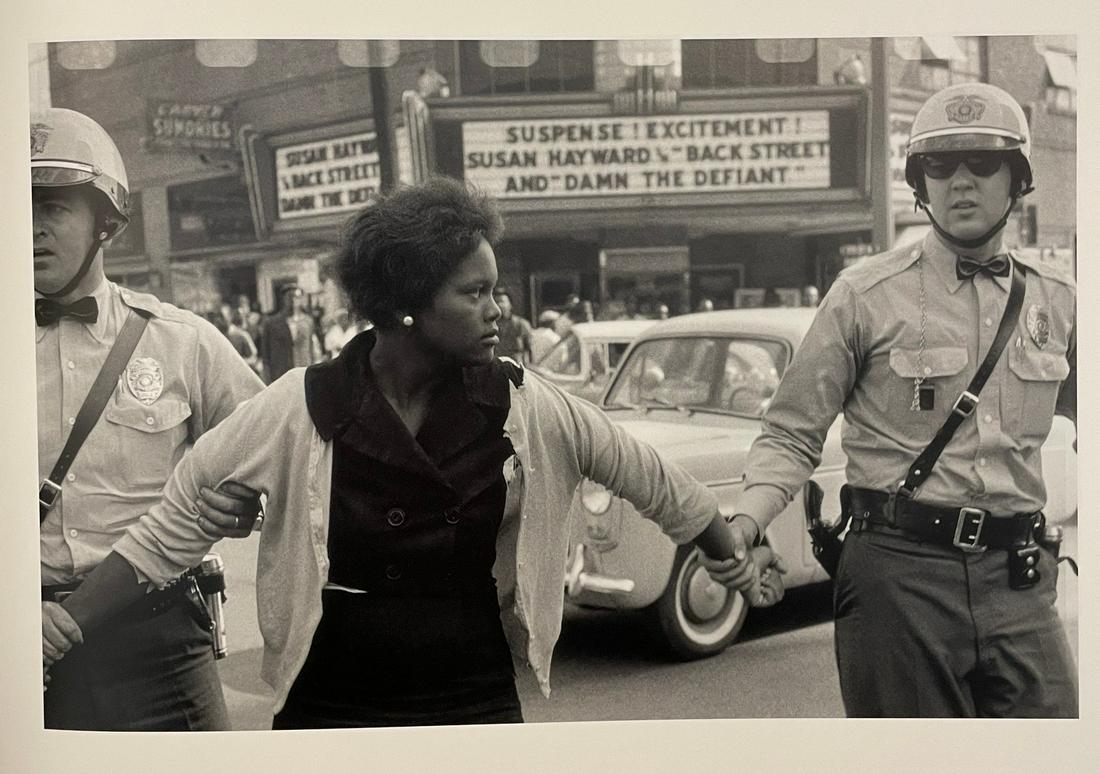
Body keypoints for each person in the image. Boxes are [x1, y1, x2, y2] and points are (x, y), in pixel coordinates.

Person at [42, 177, 785, 729]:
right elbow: (170, 529)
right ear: (405, 304)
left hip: (473, 689)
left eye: (498, 291)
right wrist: (60, 628)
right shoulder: (301, 405)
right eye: (476, 293)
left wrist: (728, 555)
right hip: (332, 692)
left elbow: (654, 480)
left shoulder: (527, 406)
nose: (501, 310)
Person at [704, 83, 1077, 717]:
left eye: (983, 163)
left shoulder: (1060, 300)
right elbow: (792, 432)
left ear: (1018, 181)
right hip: (900, 578)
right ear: (919, 183)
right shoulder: (863, 295)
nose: (961, 181)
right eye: (939, 165)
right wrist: (747, 522)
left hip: (1020, 578)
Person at [32, 108, 266, 730]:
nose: (29, 230)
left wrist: (244, 505)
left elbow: (274, 451)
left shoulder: (180, 342)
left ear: (104, 220)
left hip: (159, 642)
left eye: (52, 208)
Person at [491, 287, 533, 364]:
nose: (500, 305)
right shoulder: (489, 326)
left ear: (510, 305)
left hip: (517, 366)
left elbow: (529, 350)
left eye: (502, 302)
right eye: (496, 302)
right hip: (497, 366)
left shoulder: (521, 324)